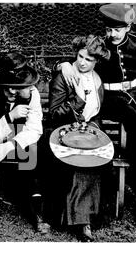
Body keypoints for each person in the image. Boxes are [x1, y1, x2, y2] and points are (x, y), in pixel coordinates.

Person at [58, 4, 136, 229]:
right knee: (90, 139)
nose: (111, 34)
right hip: (103, 99)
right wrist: (64, 64)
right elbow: (76, 59)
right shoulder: (97, 44)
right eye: (108, 29)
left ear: (128, 26)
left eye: (117, 30)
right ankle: (95, 202)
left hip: (132, 100)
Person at [0, 52, 51, 234]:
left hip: (21, 141)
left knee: (34, 153)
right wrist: (10, 116)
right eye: (8, 87)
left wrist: (10, 145)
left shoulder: (32, 94)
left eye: (17, 87)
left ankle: (38, 213)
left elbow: (34, 129)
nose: (13, 92)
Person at [43, 35, 111, 241]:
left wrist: (93, 130)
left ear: (96, 61)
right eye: (80, 56)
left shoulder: (98, 79)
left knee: (94, 157)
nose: (82, 62)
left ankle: (87, 218)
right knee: (80, 162)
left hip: (87, 133)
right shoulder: (65, 75)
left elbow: (96, 112)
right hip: (61, 133)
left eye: (88, 59)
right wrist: (77, 100)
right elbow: (54, 114)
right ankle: (82, 221)